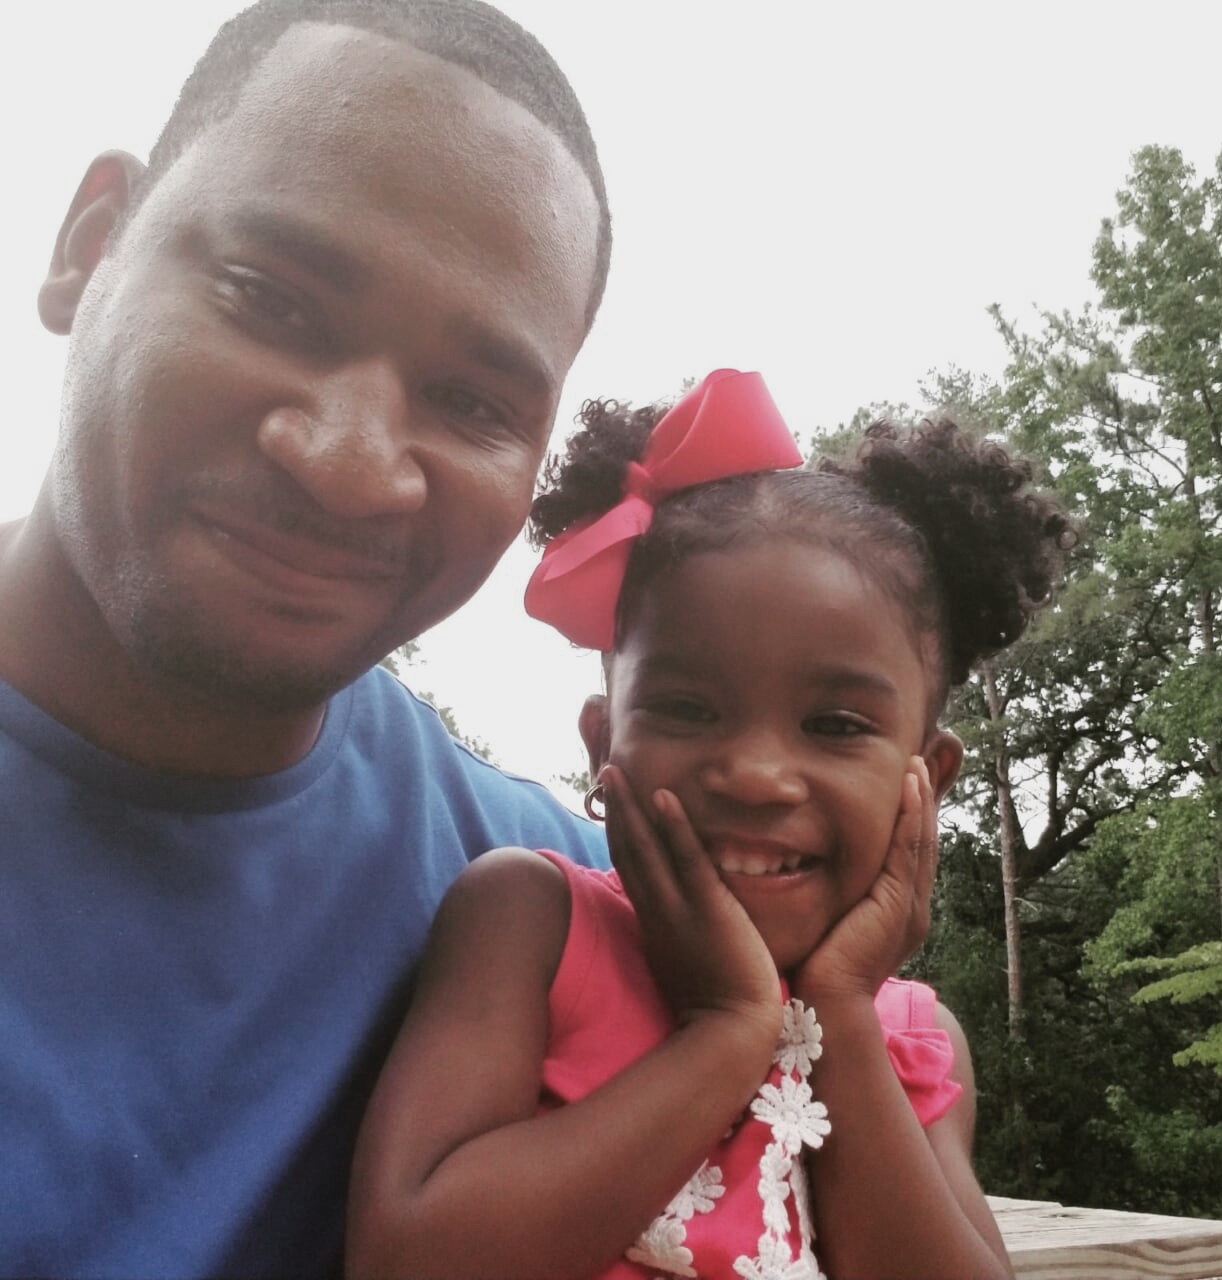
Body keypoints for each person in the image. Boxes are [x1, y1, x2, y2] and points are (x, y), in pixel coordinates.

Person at [0, 1, 614, 1275]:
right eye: (269, 299)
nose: (348, 464)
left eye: (470, 401)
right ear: (88, 243)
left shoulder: (549, 910)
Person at [348, 368, 1076, 1279]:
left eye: (836, 725)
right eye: (688, 709)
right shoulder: (532, 924)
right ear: (603, 742)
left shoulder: (914, 1038)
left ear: (923, 782)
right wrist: (730, 1028)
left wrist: (838, 1015)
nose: (757, 775)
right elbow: (407, 1261)